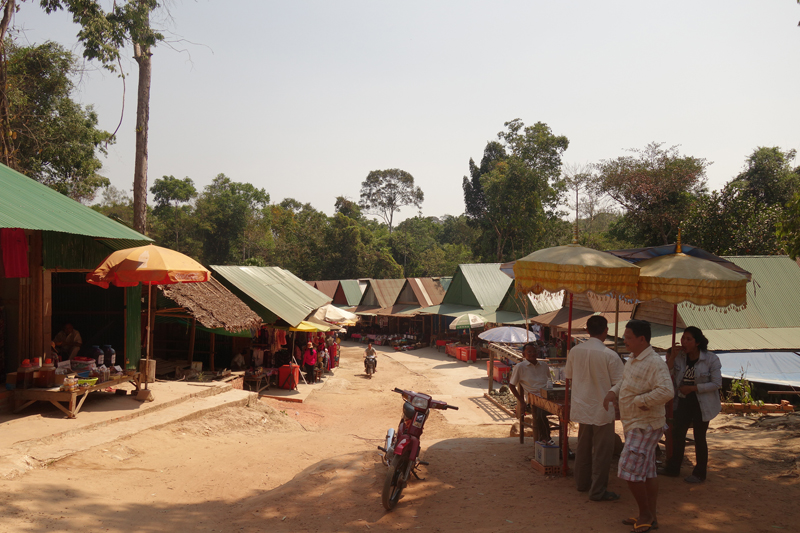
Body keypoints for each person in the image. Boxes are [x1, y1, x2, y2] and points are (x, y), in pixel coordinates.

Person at [603, 320, 673, 533]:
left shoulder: (654, 362)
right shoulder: (633, 359)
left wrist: (642, 401)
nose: (625, 341)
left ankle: (645, 514)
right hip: (634, 423)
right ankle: (650, 516)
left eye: (628, 337)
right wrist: (613, 392)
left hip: (646, 425)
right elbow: (625, 382)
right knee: (647, 471)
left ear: (642, 339)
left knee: (628, 469)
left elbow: (667, 391)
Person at [565, 315, 624, 502]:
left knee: (583, 448)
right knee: (602, 452)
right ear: (606, 331)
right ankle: (597, 490)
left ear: (587, 330)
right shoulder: (610, 355)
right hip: (602, 408)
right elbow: (620, 384)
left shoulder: (575, 351)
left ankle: (582, 483)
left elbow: (569, 376)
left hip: (583, 406)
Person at [659, 326, 722, 484]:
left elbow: (716, 383)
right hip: (683, 400)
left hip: (702, 403)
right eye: (683, 338)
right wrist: (672, 358)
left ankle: (700, 472)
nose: (684, 342)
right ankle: (673, 468)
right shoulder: (680, 356)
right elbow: (667, 374)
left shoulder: (710, 359)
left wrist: (693, 388)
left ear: (697, 342)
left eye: (688, 339)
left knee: (699, 437)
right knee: (677, 434)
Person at [509, 342, 552, 441]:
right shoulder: (520, 367)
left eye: (534, 351)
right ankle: (546, 438)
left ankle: (564, 443)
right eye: (529, 352)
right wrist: (522, 401)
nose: (532, 354)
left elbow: (549, 381)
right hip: (533, 400)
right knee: (540, 413)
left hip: (547, 396)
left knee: (564, 411)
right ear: (524, 354)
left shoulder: (544, 365)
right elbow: (511, 385)